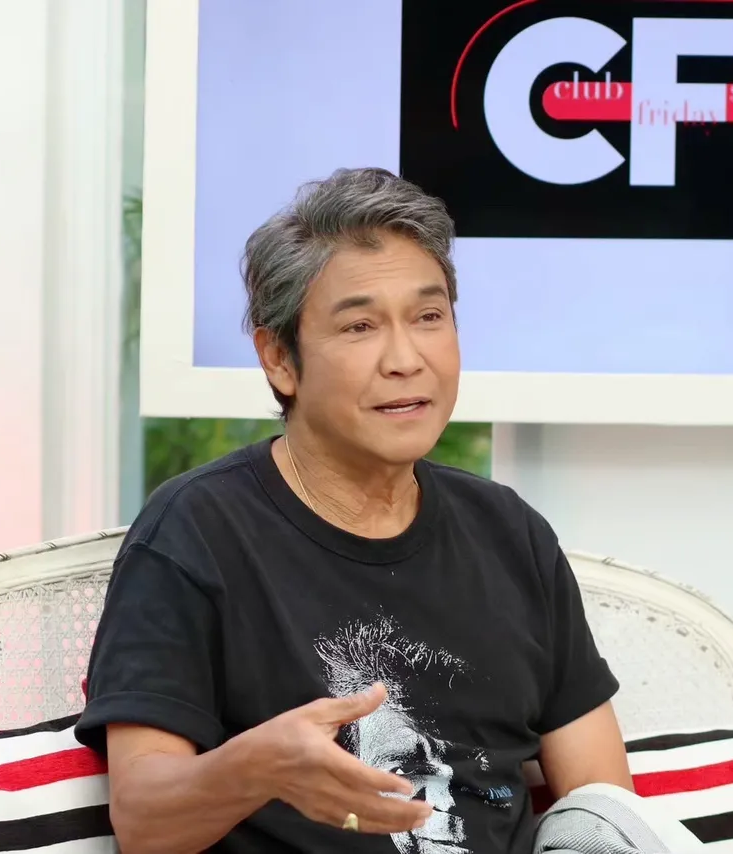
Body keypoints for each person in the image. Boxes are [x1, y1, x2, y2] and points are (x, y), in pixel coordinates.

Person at [74, 167, 632, 854]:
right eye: (360, 326)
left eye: (429, 317)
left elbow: (604, 813)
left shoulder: (511, 533)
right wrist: (257, 767)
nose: (406, 359)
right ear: (280, 360)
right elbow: (144, 822)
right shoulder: (197, 533)